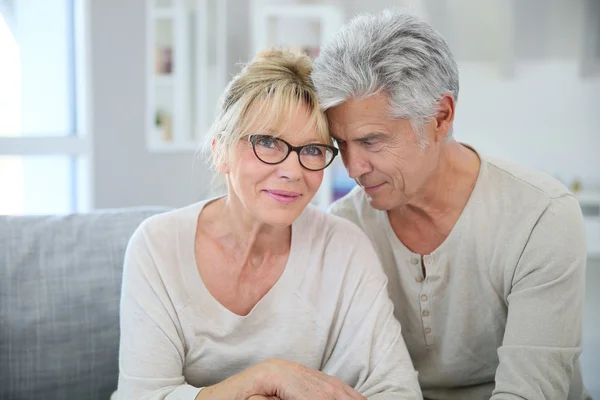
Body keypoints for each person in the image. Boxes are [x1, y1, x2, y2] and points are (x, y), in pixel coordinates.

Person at [312, 9, 588, 400]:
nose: (353, 168)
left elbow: (530, 392)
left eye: (372, 141)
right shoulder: (345, 228)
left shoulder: (541, 217)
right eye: (341, 144)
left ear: (440, 117)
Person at [115, 48, 422, 400]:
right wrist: (264, 378)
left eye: (312, 150)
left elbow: (397, 391)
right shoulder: (158, 246)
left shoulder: (344, 249)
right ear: (220, 151)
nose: (293, 172)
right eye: (268, 143)